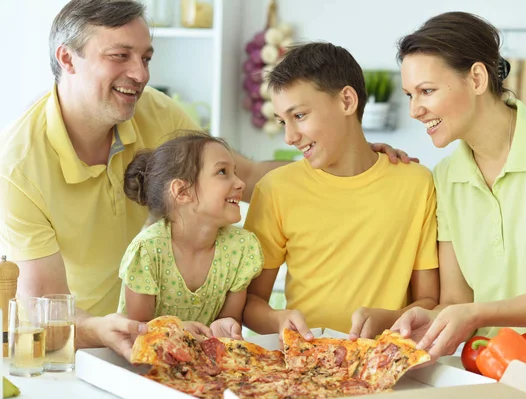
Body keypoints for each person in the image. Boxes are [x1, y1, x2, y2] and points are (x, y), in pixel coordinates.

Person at [0, 0, 410, 359]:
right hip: (87, 344)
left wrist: (347, 155)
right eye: (120, 55)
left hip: (168, 342)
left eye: (146, 57)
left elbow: (245, 176)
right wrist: (99, 329)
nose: (140, 73)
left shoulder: (158, 113)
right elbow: (42, 303)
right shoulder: (19, 164)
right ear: (67, 59)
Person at [390, 11, 526, 364]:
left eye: (426, 91)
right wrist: (435, 319)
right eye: (410, 94)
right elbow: (457, 299)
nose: (415, 110)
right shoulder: (446, 175)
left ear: (476, 78)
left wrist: (479, 314)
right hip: (490, 371)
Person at [242, 42, 440, 341]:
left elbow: (429, 300)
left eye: (299, 116)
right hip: (305, 364)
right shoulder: (275, 189)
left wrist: (387, 319)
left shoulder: (417, 184)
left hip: (381, 362)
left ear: (347, 101)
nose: (290, 136)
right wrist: (278, 318)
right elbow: (249, 305)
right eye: (283, 121)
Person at [117, 131, 263, 339]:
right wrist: (176, 331)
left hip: (205, 367)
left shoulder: (242, 248)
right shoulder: (147, 251)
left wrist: (225, 326)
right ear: (182, 191)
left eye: (235, 172)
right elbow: (138, 332)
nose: (240, 183)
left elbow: (230, 319)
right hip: (142, 365)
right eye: (223, 172)